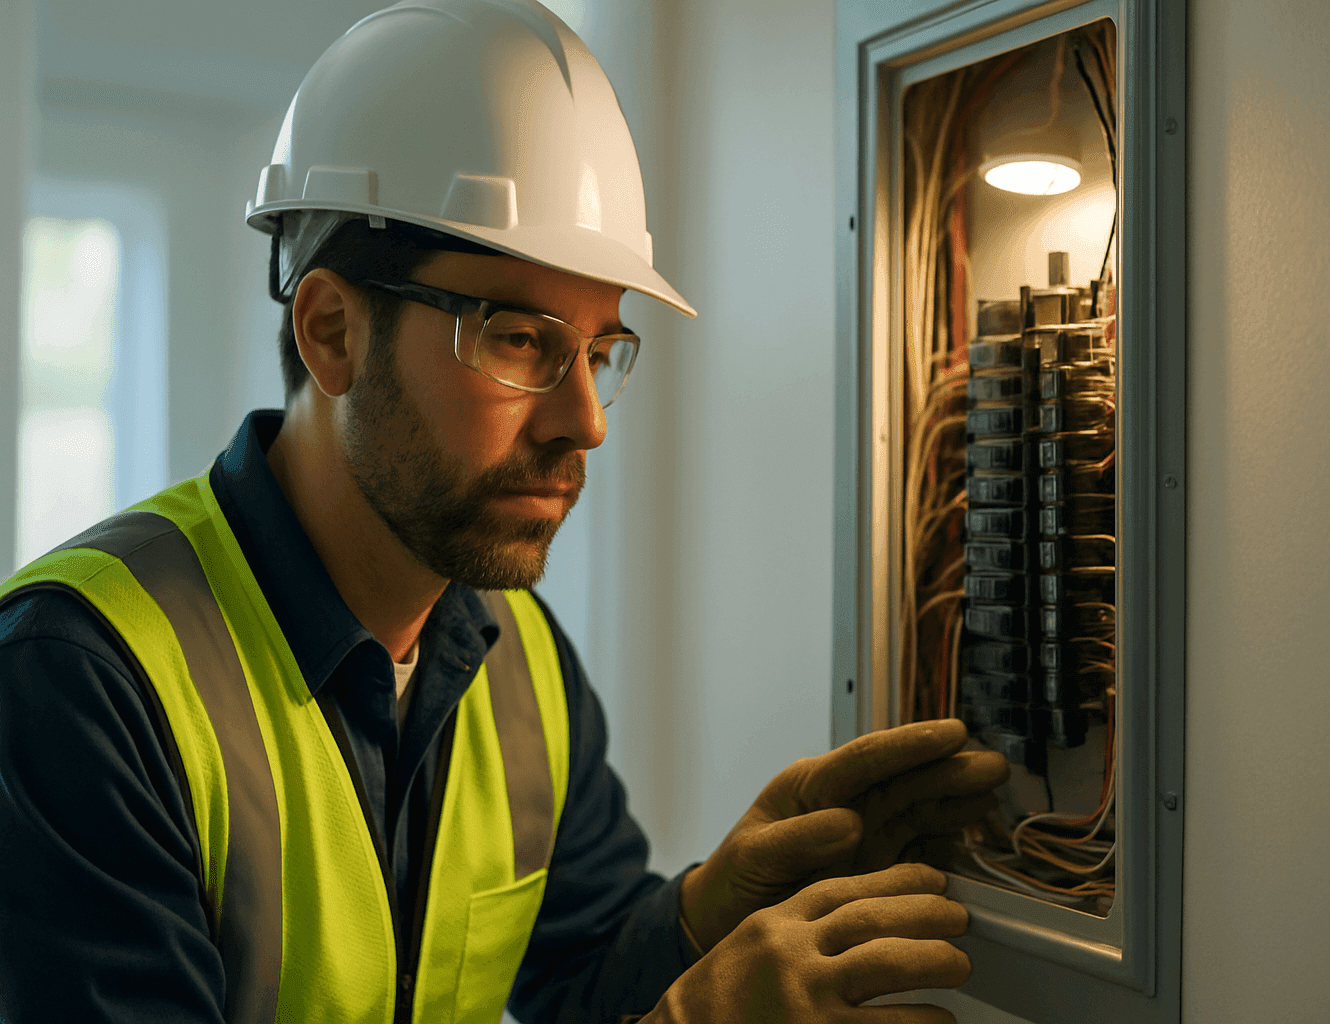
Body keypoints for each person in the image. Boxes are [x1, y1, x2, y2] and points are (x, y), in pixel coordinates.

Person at [0, 1, 1009, 1021]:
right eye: (521, 338)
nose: (586, 422)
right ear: (333, 332)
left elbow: (579, 975)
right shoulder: (81, 675)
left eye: (601, 352)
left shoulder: (516, 662)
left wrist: (708, 913)